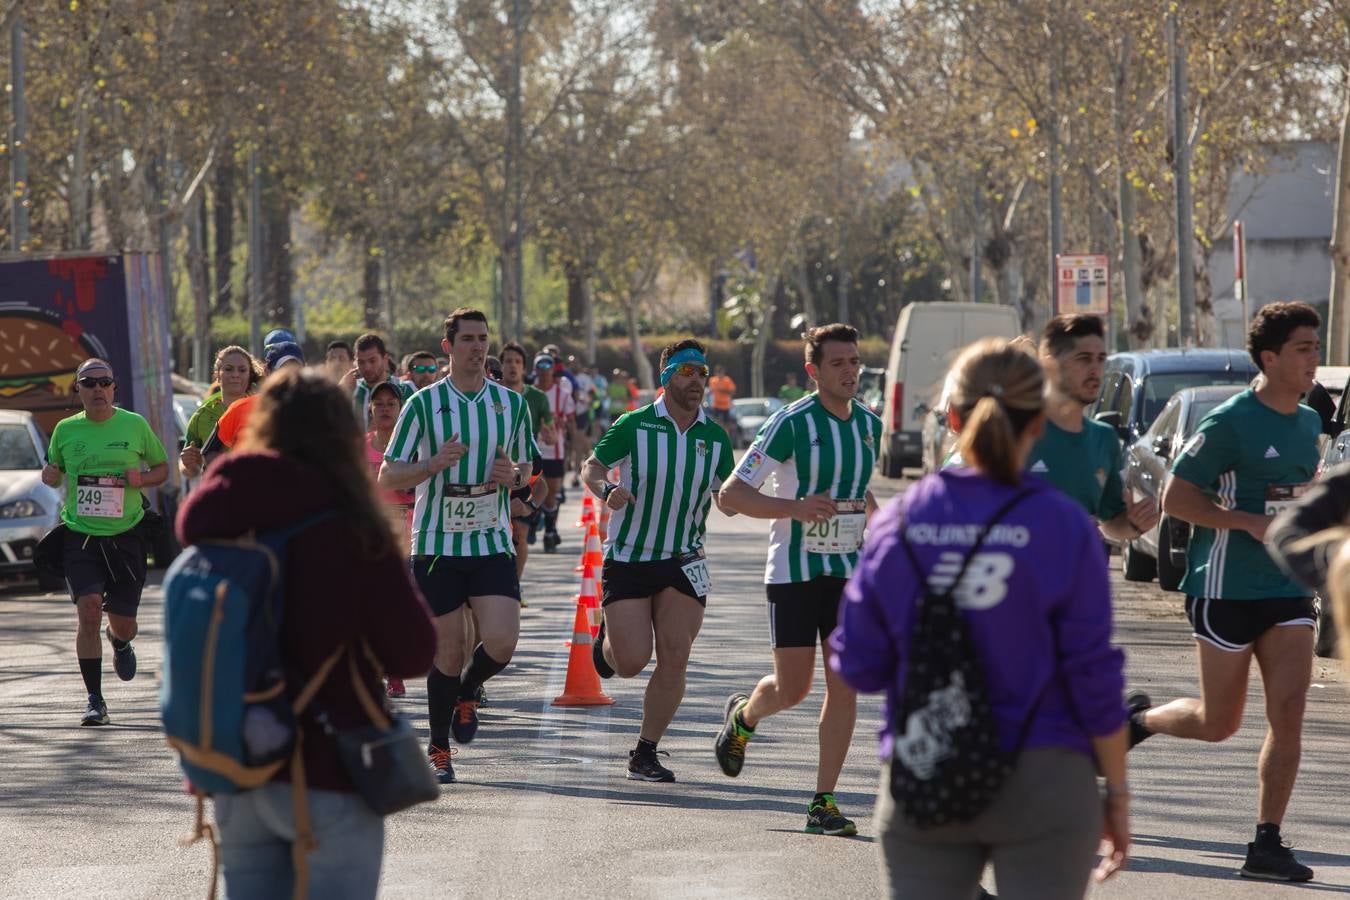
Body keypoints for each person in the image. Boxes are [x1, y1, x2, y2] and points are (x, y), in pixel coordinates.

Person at [833, 337, 1129, 898]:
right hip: (1046, 776)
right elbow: (1096, 677)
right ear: (1038, 421)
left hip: (926, 772)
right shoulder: (1065, 526)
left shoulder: (898, 524)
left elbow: (859, 665)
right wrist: (1115, 793)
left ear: (950, 417)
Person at [178, 368, 436, 898]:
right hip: (329, 769)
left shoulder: (218, 523)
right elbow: (413, 652)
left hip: (234, 772)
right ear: (339, 436)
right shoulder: (349, 529)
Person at [1134, 301, 1322, 882]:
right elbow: (1176, 500)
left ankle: (1266, 842)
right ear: (1270, 358)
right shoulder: (1229, 422)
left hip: (1287, 587)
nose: (1315, 359)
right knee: (1221, 723)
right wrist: (1246, 522)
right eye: (1304, 349)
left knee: (1289, 711)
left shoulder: (1311, 421)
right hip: (1224, 586)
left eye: (1316, 347)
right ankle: (1136, 722)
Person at [713, 324, 880, 835]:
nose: (850, 371)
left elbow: (860, 495)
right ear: (813, 371)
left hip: (847, 575)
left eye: (854, 361)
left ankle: (822, 801)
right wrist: (796, 508)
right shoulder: (791, 423)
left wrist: (889, 535)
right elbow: (731, 496)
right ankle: (744, 716)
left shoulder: (869, 426)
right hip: (794, 573)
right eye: (838, 363)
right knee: (793, 688)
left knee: (844, 685)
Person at [378, 308, 537, 784]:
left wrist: (514, 478)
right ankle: (439, 748)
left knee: (503, 642)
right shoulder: (422, 405)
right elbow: (389, 474)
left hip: (490, 537)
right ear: (448, 346)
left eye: (483, 338)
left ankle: (470, 688)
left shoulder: (511, 405)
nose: (478, 347)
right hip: (436, 543)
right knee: (446, 653)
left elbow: (526, 472)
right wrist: (432, 464)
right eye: (468, 339)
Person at [582, 339, 735, 782]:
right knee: (630, 662)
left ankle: (645, 752)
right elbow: (592, 467)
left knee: (674, 658)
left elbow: (728, 494)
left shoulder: (714, 437)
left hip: (684, 559)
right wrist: (607, 490)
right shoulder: (635, 424)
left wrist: (768, 501)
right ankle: (607, 640)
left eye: (702, 373)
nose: (696, 381)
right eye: (687, 372)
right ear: (667, 376)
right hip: (630, 557)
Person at [41, 359, 169, 726]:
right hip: (81, 535)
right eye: (89, 382)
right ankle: (95, 699)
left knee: (123, 622)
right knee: (89, 609)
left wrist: (141, 479)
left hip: (127, 535)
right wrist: (49, 475)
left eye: (105, 382)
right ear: (78, 390)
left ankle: (121, 640)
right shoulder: (65, 431)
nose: (97, 388)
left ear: (114, 388)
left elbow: (162, 468)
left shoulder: (134, 425)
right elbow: (53, 473)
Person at [1030, 314, 1158, 541]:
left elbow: (1110, 521)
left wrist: (1133, 525)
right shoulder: (1016, 433)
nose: (1095, 370)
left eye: (1100, 359)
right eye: (1083, 358)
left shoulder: (1104, 438)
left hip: (1080, 573)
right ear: (1049, 365)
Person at [366, 380, 418, 698]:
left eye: (391, 403)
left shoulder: (412, 446)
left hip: (408, 532)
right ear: (371, 409)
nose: (385, 408)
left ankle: (395, 670)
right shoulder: (359, 445)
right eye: (379, 403)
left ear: (400, 410)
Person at [500, 342, 553, 579]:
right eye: (508, 361)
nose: (512, 366)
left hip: (526, 463)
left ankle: (514, 586)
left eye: (517, 362)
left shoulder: (537, 397)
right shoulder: (492, 395)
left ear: (524, 368)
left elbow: (549, 430)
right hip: (493, 468)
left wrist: (550, 436)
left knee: (519, 533)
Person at [180, 346, 260, 479]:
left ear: (249, 375)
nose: (235, 375)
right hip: (218, 494)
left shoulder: (262, 412)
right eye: (229, 369)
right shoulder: (201, 416)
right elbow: (190, 469)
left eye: (242, 370)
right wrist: (189, 464)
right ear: (217, 375)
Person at [210, 341, 306, 452]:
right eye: (281, 371)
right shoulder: (239, 409)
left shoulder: (319, 411)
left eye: (296, 369)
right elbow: (210, 452)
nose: (289, 376)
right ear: (267, 372)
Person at [533, 352, 576, 553]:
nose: (544, 373)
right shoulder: (528, 394)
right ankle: (533, 522)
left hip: (555, 451)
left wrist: (573, 451)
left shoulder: (563, 395)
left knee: (551, 494)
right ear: (535, 370)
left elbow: (572, 422)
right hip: (532, 450)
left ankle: (550, 530)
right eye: (540, 369)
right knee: (531, 493)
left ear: (553, 370)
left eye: (547, 368)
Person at [348, 333, 414, 428]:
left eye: (372, 361)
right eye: (361, 362)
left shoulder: (406, 389)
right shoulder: (350, 391)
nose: (367, 367)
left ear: (385, 359)